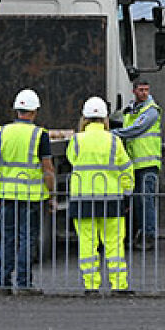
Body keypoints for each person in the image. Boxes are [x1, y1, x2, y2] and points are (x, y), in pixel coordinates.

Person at [67, 96, 135, 295]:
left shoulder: (76, 141)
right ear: (105, 118)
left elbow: (72, 160)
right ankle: (119, 285)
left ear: (84, 118)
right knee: (114, 243)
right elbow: (127, 169)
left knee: (87, 243)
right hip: (111, 199)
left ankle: (91, 285)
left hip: (83, 199)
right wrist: (127, 194)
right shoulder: (114, 141)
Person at [0, 88, 55, 295]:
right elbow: (48, 169)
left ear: (16, 110)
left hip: (6, 194)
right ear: (34, 111)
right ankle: (24, 283)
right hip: (30, 196)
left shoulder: (1, 133)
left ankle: (3, 283)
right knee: (27, 238)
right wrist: (52, 195)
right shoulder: (39, 135)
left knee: (7, 238)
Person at [113, 79, 162, 250]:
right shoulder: (130, 110)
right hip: (133, 164)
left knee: (146, 201)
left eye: (146, 90)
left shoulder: (151, 111)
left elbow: (135, 130)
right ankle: (137, 234)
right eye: (141, 90)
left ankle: (148, 236)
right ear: (134, 91)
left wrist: (112, 133)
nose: (144, 93)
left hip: (148, 163)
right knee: (137, 202)